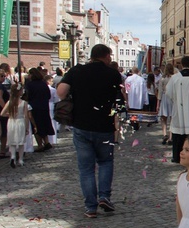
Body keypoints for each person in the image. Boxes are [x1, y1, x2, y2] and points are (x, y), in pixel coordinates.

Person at [57, 44, 122, 217]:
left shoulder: (76, 71)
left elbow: (61, 93)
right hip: (104, 126)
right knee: (106, 162)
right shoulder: (113, 74)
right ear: (107, 56)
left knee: (86, 168)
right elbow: (120, 101)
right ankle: (104, 197)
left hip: (81, 125)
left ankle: (91, 207)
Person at [25, 68, 55, 152]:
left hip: (34, 107)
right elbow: (48, 95)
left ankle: (39, 145)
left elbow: (28, 96)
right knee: (44, 123)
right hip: (44, 106)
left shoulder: (30, 85)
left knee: (36, 126)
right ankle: (46, 142)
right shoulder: (43, 83)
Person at [1, 83, 29, 168]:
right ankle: (20, 159)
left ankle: (12, 156)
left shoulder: (9, 102)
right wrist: (27, 127)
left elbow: (2, 113)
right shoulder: (23, 103)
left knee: (12, 140)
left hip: (11, 121)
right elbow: (26, 116)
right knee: (21, 142)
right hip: (20, 121)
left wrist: (10, 115)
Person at [158, 63, 174, 144]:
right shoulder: (174, 78)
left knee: (163, 118)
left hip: (164, 97)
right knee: (172, 119)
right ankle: (171, 137)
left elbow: (160, 92)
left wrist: (158, 104)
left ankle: (164, 134)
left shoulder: (162, 78)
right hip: (172, 98)